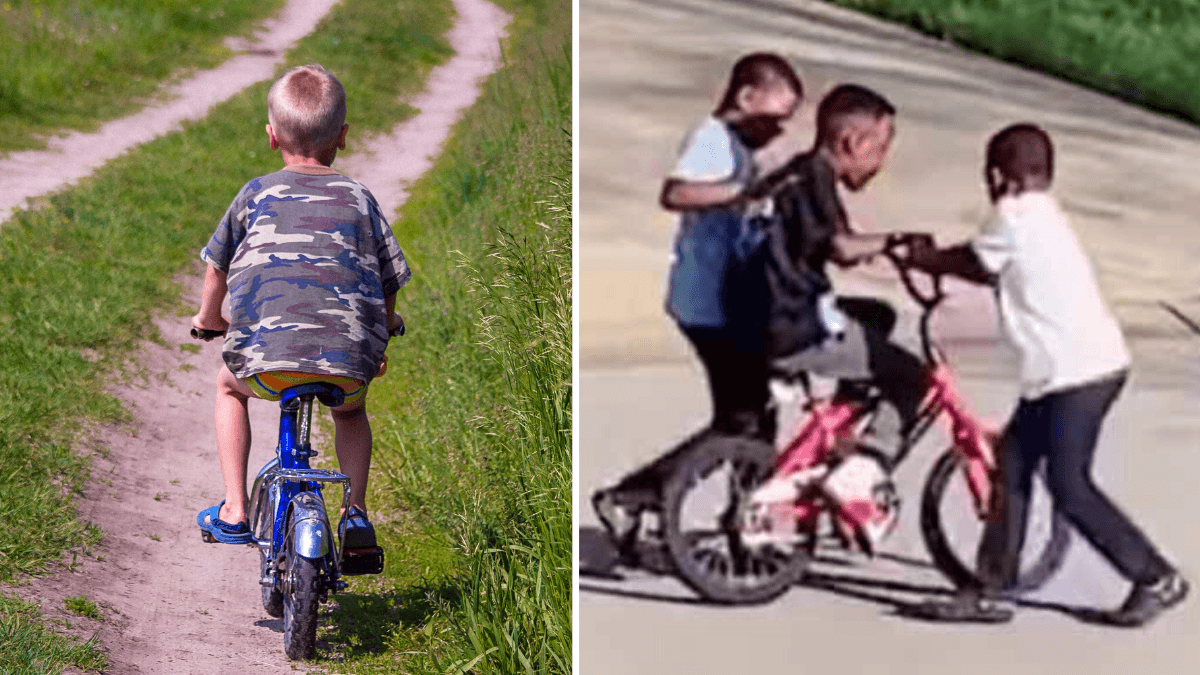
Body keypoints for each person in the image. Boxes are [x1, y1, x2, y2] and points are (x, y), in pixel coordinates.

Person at [899, 123, 1187, 626]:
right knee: (1010, 467)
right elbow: (989, 263)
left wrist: (925, 257)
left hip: (1077, 373)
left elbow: (977, 262)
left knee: (1069, 484)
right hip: (1072, 369)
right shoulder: (1045, 214)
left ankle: (1156, 577)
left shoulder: (1011, 215)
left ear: (996, 176)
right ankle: (990, 590)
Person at [591, 53, 804, 563]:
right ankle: (631, 498)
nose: (777, 130)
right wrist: (747, 190)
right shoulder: (713, 137)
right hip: (709, 304)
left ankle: (739, 516)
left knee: (752, 418)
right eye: (774, 117)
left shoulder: (742, 148)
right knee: (742, 421)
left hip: (730, 302)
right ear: (746, 98)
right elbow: (677, 193)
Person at [192, 64, 409, 550]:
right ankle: (355, 515)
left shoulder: (254, 193)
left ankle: (234, 508)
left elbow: (216, 269)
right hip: (344, 367)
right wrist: (383, 330)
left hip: (264, 365)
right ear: (344, 137)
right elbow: (389, 277)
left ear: (272, 137)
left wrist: (209, 320)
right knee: (351, 414)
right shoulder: (359, 198)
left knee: (228, 389)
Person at [756, 84, 930, 455]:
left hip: (762, 308)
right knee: (911, 375)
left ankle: (842, 420)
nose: (882, 162)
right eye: (880, 148)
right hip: (789, 324)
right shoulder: (816, 181)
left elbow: (840, 244)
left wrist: (882, 250)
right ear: (852, 142)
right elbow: (841, 247)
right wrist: (896, 241)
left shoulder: (800, 172)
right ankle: (867, 462)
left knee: (877, 316)